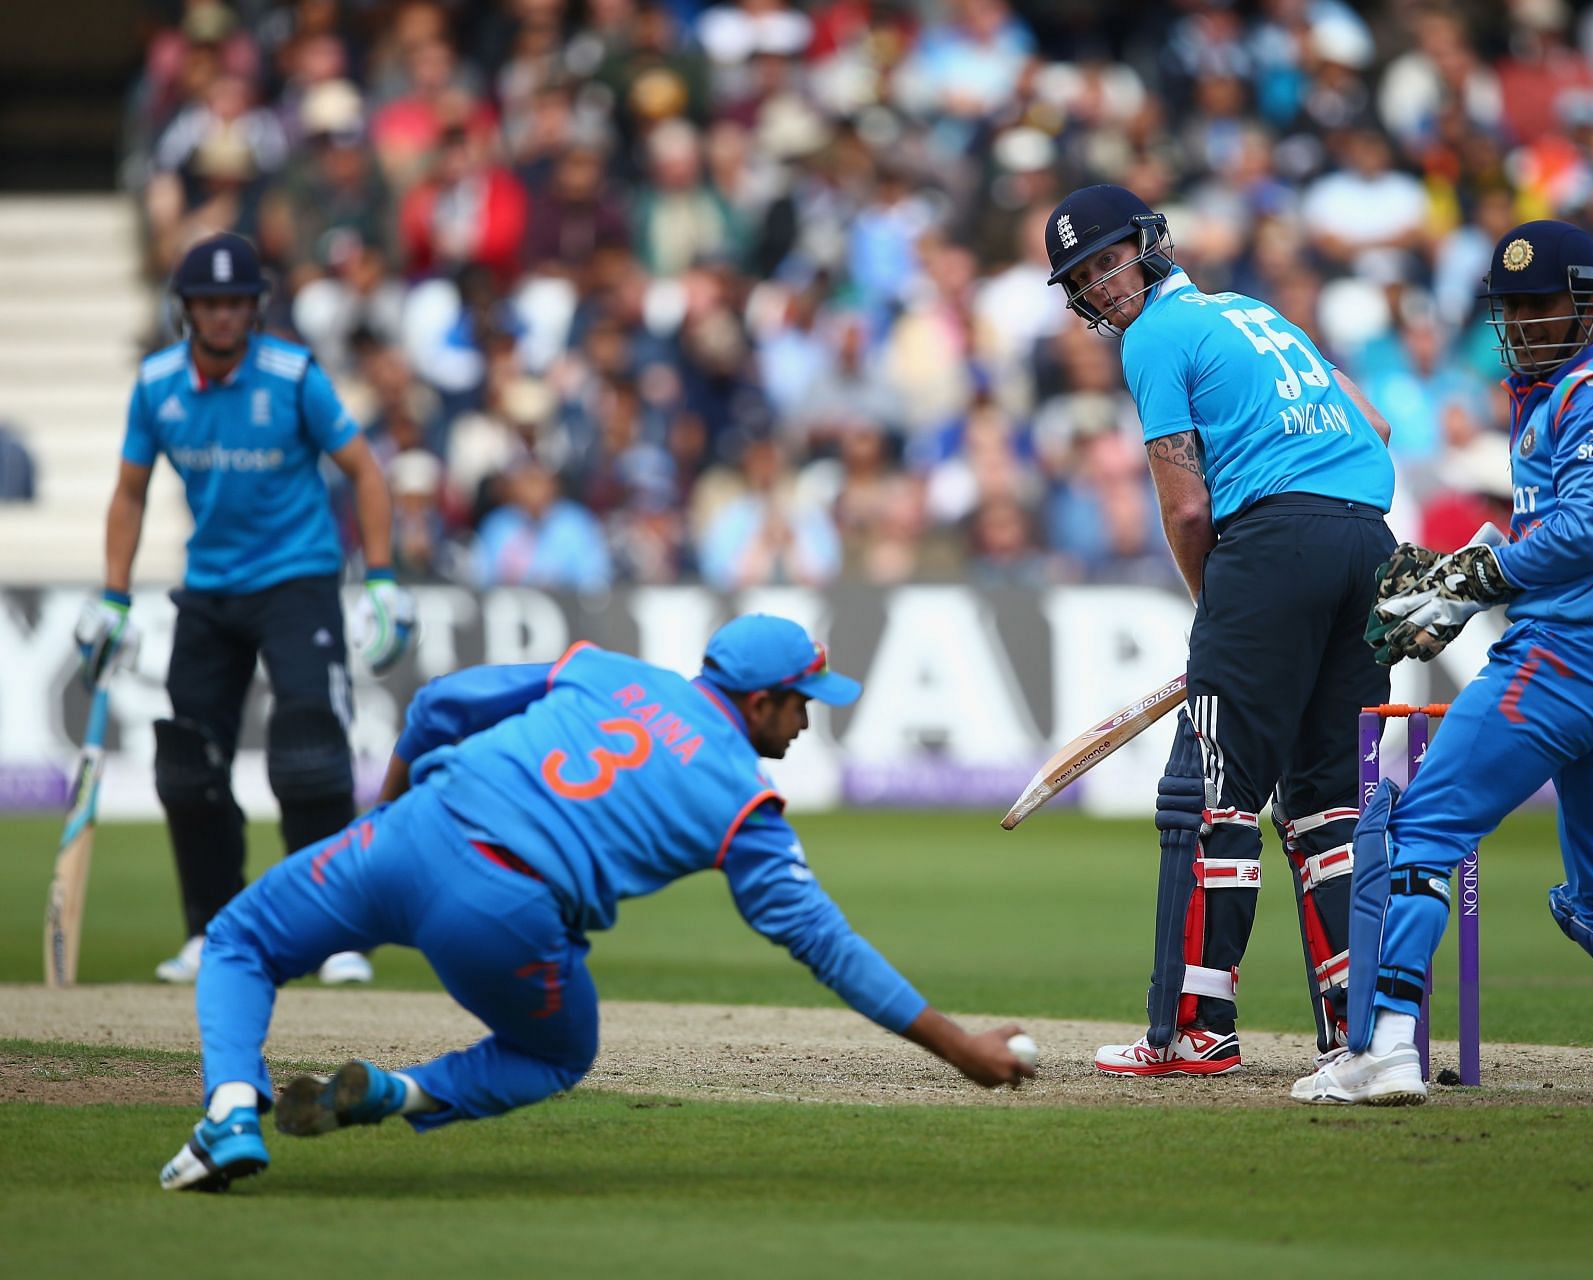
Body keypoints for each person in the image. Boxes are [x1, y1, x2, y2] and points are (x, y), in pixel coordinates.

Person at [158, 614, 1034, 1192]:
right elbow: (825, 944)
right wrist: (957, 1047)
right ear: (761, 702)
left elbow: (434, 705)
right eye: (802, 703)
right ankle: (396, 1094)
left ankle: (231, 1107)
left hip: (410, 833)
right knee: (555, 1054)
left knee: (236, 941)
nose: (808, 723)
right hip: (504, 912)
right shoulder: (744, 804)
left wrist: (384, 820)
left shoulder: (608, 672)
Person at [1297, 219, 1593, 1106]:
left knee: (1418, 829)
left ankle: (1387, 1045)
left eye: (1542, 304)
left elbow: (1584, 531)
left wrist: (1478, 578)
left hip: (1564, 660)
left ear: (1589, 305)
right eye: (1511, 308)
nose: (1524, 323)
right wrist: (1476, 567)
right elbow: (1573, 528)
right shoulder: (1558, 397)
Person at [1042, 184, 1398, 1076]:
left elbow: (1187, 504)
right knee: (1326, 801)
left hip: (1271, 545)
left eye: (1108, 259)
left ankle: (1194, 1030)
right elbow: (1378, 424)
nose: (1102, 287)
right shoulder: (1250, 312)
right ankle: (1361, 1038)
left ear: (1148, 245)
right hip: (1367, 542)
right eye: (1082, 279)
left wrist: (1221, 610)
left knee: (1210, 796)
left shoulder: (1156, 337)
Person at [73, 232, 415, 988]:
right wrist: (113, 599)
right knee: (188, 763)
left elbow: (364, 470)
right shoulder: (158, 383)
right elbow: (129, 492)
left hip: (298, 581)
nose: (223, 316)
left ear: (255, 308)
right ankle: (213, 930)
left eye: (235, 302)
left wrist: (384, 579)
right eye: (208, 303)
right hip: (211, 587)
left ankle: (332, 935)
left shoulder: (293, 375)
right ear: (186, 309)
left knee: (311, 755)